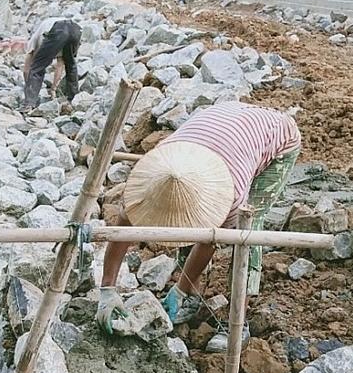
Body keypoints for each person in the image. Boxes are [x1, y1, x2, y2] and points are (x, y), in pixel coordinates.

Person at [96, 101, 301, 352]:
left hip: (275, 136)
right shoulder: (149, 177)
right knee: (187, 221)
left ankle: (236, 322)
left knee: (247, 231)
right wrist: (107, 289)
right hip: (220, 125)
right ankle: (191, 295)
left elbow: (208, 240)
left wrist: (179, 289)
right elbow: (122, 230)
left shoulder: (231, 198)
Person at [21, 18, 81, 111]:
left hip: (58, 29)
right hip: (75, 28)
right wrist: (53, 88)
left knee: (37, 67)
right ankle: (74, 99)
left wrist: (28, 86)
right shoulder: (47, 36)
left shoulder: (32, 42)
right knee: (70, 65)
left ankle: (29, 104)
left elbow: (26, 70)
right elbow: (60, 64)